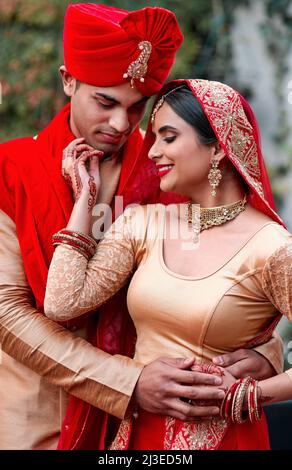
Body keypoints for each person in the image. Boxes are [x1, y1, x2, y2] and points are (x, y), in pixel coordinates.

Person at [0, 2, 281, 450]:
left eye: (137, 109)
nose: (121, 124)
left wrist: (264, 354)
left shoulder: (171, 173)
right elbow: (7, 313)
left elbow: (234, 276)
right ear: (68, 80)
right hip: (40, 417)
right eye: (106, 101)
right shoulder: (12, 169)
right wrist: (127, 383)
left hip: (159, 422)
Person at [44, 78, 292, 450]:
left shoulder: (271, 247)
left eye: (169, 137)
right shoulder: (142, 223)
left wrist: (249, 396)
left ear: (219, 148)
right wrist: (85, 201)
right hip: (134, 438)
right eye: (155, 137)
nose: (153, 151)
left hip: (225, 436)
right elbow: (62, 303)